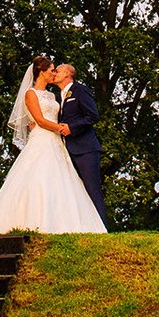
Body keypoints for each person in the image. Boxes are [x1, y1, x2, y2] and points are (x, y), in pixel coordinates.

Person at [0, 55, 107, 235]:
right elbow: (40, 119)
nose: (54, 73)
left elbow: (69, 115)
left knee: (73, 185)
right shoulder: (31, 93)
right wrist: (58, 127)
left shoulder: (55, 95)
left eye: (56, 70)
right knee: (40, 179)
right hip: (44, 140)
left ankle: (97, 227)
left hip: (64, 144)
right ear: (42, 72)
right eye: (51, 70)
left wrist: (64, 127)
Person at [51, 63, 109, 228]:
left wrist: (72, 128)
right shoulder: (58, 96)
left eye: (58, 71)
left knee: (92, 189)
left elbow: (92, 116)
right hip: (67, 150)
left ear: (68, 74)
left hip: (86, 149)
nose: (55, 73)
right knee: (74, 192)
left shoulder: (80, 91)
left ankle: (102, 229)